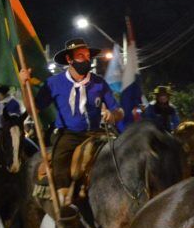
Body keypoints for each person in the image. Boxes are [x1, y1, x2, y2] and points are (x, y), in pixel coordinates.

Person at [19, 38, 122, 206]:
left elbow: (118, 110)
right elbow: (33, 110)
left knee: (120, 151)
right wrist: (24, 86)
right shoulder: (54, 83)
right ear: (69, 60)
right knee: (60, 158)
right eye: (81, 56)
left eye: (88, 55)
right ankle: (64, 200)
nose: (86, 59)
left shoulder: (99, 82)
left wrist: (113, 115)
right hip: (68, 134)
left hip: (97, 132)